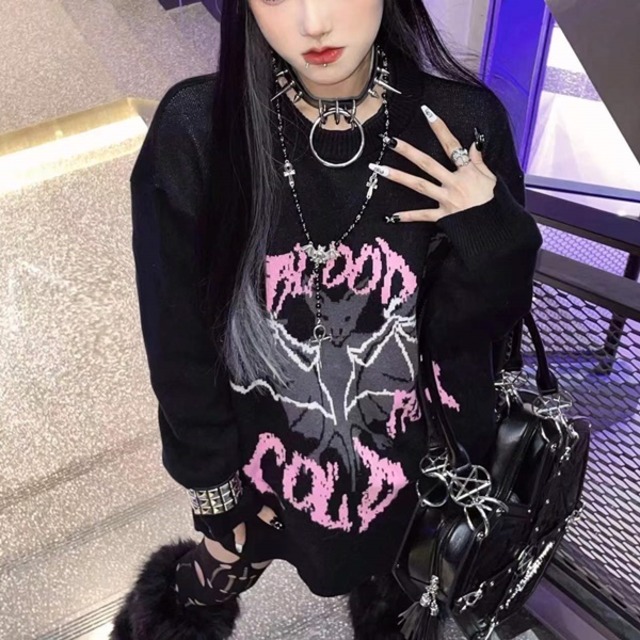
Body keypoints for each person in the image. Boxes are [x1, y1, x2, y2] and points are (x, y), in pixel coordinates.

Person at [111, 0, 543, 638]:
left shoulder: (459, 125)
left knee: (395, 601)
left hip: (412, 475)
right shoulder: (200, 128)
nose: (313, 23)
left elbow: (465, 345)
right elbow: (177, 333)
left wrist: (494, 236)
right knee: (200, 588)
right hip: (268, 472)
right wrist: (213, 487)